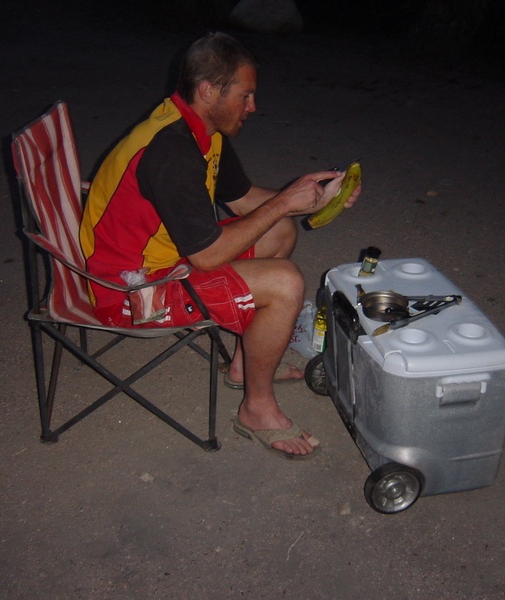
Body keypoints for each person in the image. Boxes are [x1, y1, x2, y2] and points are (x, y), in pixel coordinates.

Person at [79, 32, 360, 460]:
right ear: (209, 90)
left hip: (163, 261)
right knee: (284, 284)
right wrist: (285, 202)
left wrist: (317, 201)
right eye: (245, 96)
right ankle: (255, 409)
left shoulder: (200, 128)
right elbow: (207, 255)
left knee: (281, 231)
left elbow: (245, 199)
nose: (253, 107)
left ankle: (244, 365)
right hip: (130, 291)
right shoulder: (171, 150)